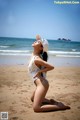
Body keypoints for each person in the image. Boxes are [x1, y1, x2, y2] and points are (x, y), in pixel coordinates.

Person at [28, 35, 70, 112]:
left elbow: (51, 67)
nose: (35, 41)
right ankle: (51, 101)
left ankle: (60, 106)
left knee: (36, 108)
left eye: (37, 42)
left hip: (42, 85)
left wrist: (40, 72)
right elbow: (40, 43)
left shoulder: (37, 59)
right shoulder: (35, 54)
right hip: (38, 84)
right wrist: (39, 40)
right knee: (32, 99)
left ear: (41, 48)